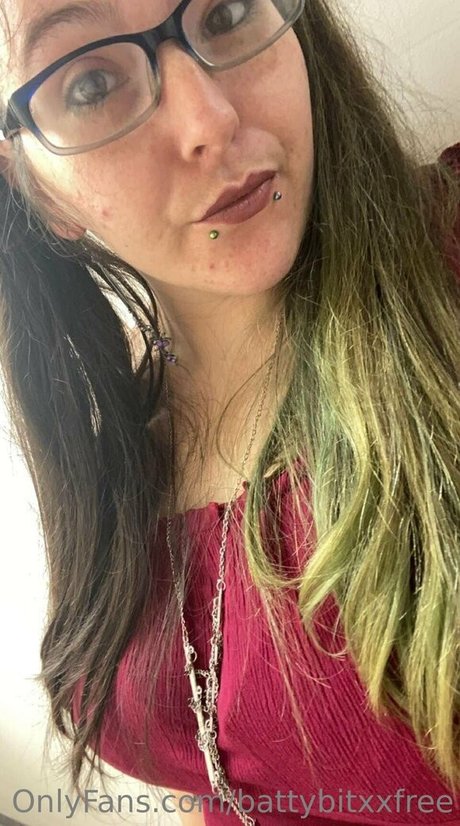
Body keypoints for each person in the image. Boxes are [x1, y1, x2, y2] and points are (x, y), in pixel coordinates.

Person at [0, 0, 459, 824]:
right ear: (36, 189)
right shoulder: (113, 437)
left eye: (228, 11)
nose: (211, 119)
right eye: (91, 83)